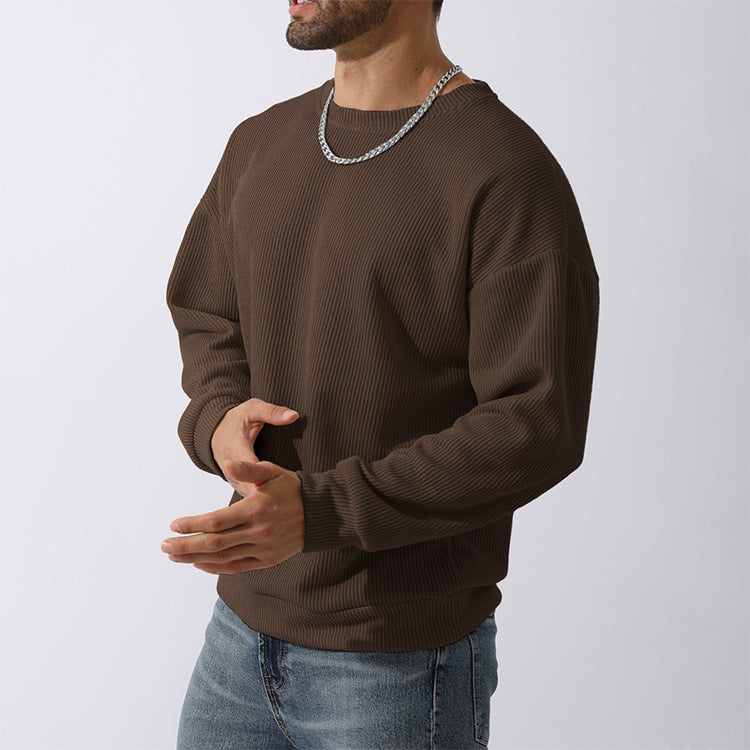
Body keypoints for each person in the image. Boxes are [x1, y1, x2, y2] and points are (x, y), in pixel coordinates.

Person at [163, 1, 599, 747]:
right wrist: (220, 414)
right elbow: (207, 309)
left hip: (399, 663)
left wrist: (322, 511)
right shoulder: (260, 142)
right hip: (237, 635)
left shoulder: (504, 171)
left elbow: (535, 423)